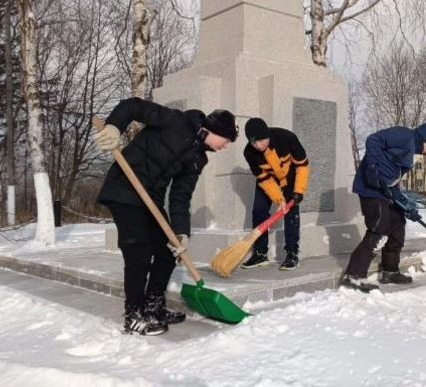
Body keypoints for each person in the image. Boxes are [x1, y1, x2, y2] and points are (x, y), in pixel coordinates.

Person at [94, 97, 238, 336]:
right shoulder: (175, 120)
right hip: (125, 189)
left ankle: (153, 306)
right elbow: (134, 106)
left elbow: (181, 196)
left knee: (168, 250)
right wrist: (114, 126)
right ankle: (134, 314)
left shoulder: (198, 158)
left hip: (151, 200)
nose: (226, 146)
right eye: (227, 140)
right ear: (215, 131)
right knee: (138, 252)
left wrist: (181, 232)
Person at [341, 120, 426, 292]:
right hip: (370, 188)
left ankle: (390, 270)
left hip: (383, 190)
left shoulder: (411, 153)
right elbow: (374, 139)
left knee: (397, 223)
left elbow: (392, 184)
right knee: (379, 229)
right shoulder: (405, 135)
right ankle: (353, 276)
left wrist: (407, 207)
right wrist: (373, 166)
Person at [241, 117, 310, 271]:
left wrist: (298, 191)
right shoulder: (249, 153)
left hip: (290, 178)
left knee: (291, 213)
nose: (258, 145)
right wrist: (279, 199)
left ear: (267, 135)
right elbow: (264, 180)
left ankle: (292, 253)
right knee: (258, 210)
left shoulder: (286, 138)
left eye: (261, 140)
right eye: (253, 142)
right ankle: (260, 253)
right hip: (269, 180)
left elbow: (302, 166)